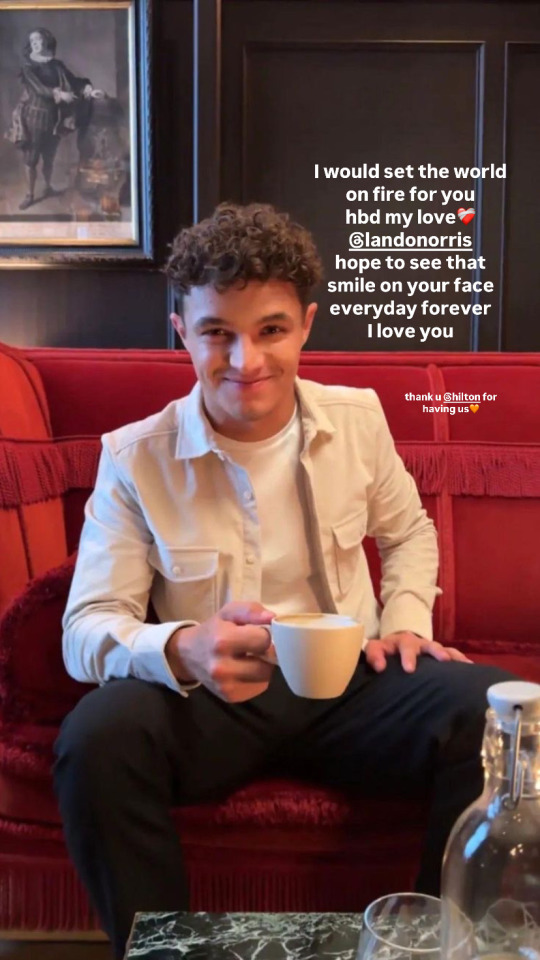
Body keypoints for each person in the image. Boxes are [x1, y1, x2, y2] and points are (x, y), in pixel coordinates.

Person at [53, 202, 515, 959]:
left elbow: (409, 532)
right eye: (217, 333)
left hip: (353, 685)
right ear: (181, 332)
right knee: (94, 740)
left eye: (270, 329)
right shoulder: (135, 456)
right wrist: (182, 648)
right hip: (209, 696)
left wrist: (406, 623)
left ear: (304, 326)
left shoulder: (357, 419)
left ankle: (427, 945)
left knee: (496, 715)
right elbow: (86, 626)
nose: (245, 361)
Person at [5, 28, 103, 210]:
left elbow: (73, 82)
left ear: (46, 41)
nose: (35, 43)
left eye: (38, 39)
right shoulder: (28, 66)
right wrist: (59, 94)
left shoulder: (56, 64)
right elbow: (39, 89)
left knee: (49, 156)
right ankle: (30, 195)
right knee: (31, 158)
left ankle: (47, 187)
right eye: (32, 40)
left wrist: (89, 91)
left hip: (54, 117)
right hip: (33, 116)